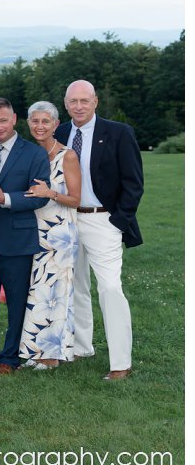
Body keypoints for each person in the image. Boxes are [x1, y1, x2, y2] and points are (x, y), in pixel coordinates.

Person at [57, 79, 143, 381]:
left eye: (85, 100)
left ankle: (121, 362)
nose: (79, 106)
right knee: (76, 285)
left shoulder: (119, 133)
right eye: (73, 101)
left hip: (103, 220)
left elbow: (134, 183)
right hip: (68, 219)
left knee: (109, 288)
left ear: (95, 102)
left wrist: (118, 221)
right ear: (66, 104)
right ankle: (82, 347)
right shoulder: (59, 133)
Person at [0, 98, 50, 375]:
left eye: (3, 120)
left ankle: (10, 356)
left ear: (14, 119)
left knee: (16, 301)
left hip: (16, 239)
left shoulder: (33, 153)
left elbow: (39, 197)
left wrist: (5, 198)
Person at [18, 101, 81, 369]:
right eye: (35, 121)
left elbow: (76, 199)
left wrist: (51, 193)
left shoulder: (68, 156)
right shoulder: (28, 154)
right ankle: (34, 351)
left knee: (54, 292)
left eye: (46, 121)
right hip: (32, 230)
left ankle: (52, 355)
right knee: (36, 292)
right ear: (28, 123)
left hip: (58, 234)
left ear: (56, 124)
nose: (40, 126)